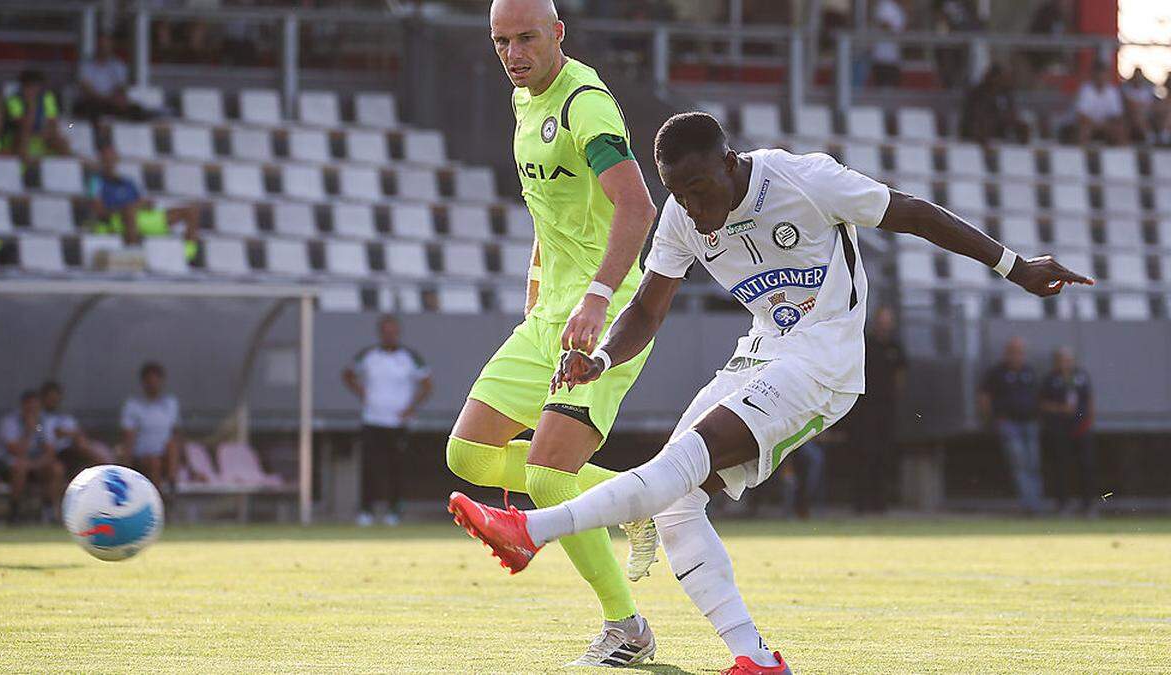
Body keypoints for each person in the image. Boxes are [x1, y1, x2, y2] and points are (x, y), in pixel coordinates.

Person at [448, 111, 1092, 675]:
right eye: (681, 194)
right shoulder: (680, 214)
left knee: (677, 465)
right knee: (675, 506)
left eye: (702, 190)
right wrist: (602, 357)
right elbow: (646, 309)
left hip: (824, 360)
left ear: (730, 164)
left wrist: (1015, 266)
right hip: (759, 354)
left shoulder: (802, 178)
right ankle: (754, 657)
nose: (696, 209)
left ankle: (531, 528)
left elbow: (912, 213)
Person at [442, 0, 661, 666]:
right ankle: (632, 499)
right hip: (548, 317)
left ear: (558, 34)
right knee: (468, 455)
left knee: (543, 474)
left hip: (607, 318)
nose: (513, 53)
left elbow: (638, 205)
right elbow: (554, 207)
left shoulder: (583, 105)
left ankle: (627, 628)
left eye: (527, 38)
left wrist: (596, 297)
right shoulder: (524, 101)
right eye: (501, 41)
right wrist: (537, 273)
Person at [342, 316, 433, 526]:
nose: (389, 335)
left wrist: (411, 408)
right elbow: (347, 374)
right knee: (370, 467)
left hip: (397, 423)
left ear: (398, 333)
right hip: (372, 419)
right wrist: (361, 392)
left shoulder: (409, 357)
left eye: (393, 331)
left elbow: (427, 384)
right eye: (386, 331)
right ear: (380, 333)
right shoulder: (369, 356)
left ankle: (394, 511)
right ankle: (366, 510)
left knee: (396, 467)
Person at [88, 144, 201, 260]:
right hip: (117, 220)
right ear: (101, 160)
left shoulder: (128, 182)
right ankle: (133, 255)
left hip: (140, 217)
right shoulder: (96, 182)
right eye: (106, 158)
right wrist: (125, 208)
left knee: (191, 211)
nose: (110, 161)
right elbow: (99, 211)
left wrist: (142, 204)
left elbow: (145, 202)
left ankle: (187, 255)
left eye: (112, 158)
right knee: (129, 211)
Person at [847, 306, 906, 514]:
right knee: (864, 454)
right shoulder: (865, 344)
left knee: (883, 455)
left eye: (887, 321)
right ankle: (860, 503)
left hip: (886, 408)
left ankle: (880, 503)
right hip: (865, 408)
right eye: (882, 321)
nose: (884, 325)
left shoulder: (896, 347)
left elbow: (900, 377)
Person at [979, 336, 1044, 514]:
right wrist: (991, 418)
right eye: (1013, 352)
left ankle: (1036, 504)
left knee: (1033, 464)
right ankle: (1028, 506)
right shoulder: (997, 372)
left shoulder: (1029, 371)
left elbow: (1037, 395)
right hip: (1009, 423)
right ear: (1006, 353)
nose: (1017, 356)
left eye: (1020, 352)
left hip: (1029, 422)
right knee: (1020, 463)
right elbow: (985, 397)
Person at [0, 391, 64, 523]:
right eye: (29, 408)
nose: (32, 412)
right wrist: (28, 431)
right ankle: (15, 510)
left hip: (33, 463)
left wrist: (35, 464)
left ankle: (50, 509)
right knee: (20, 467)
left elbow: (50, 451)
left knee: (56, 469)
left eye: (35, 408)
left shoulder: (45, 422)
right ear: (23, 406)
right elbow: (16, 451)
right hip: (5, 463)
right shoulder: (9, 422)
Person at [1039, 347, 1096, 517]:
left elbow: (1089, 398)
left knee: (1086, 465)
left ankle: (1088, 505)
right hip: (1060, 428)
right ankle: (1063, 504)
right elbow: (1042, 403)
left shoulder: (1081, 376)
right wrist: (1060, 409)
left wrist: (1089, 419)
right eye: (1061, 360)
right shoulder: (1050, 379)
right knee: (1061, 466)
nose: (1065, 364)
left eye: (1067, 360)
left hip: (1081, 427)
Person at [119, 361, 183, 493]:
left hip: (166, 456)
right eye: (149, 381)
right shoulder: (133, 405)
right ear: (143, 382)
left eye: (156, 380)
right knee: (154, 463)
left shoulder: (170, 404)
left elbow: (177, 434)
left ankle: (172, 480)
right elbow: (128, 437)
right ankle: (158, 501)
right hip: (142, 457)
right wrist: (126, 466)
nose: (153, 384)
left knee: (172, 445)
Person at [74, 34, 153, 126]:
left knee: (136, 109)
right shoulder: (86, 65)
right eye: (101, 45)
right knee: (92, 109)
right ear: (97, 46)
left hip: (111, 103)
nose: (103, 47)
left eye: (106, 45)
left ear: (111, 46)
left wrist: (114, 99)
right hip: (93, 102)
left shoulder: (117, 65)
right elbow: (87, 89)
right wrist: (106, 99)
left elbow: (121, 88)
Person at [39, 380, 109, 472]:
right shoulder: (40, 418)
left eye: (56, 398)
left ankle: (105, 470)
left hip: (71, 450)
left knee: (95, 449)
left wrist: (68, 434)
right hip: (54, 452)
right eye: (51, 398)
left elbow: (77, 433)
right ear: (44, 398)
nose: (54, 401)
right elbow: (45, 439)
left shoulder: (65, 417)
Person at [5, 70, 71, 160]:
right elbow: (23, 126)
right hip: (19, 136)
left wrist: (46, 133)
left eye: (36, 86)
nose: (34, 90)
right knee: (24, 136)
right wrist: (31, 105)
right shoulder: (13, 100)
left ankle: (66, 169)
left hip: (41, 134)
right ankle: (27, 166)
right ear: (23, 86)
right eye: (29, 86)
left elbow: (52, 122)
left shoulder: (47, 97)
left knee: (61, 141)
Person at [960, 64, 1029, 145]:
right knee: (983, 124)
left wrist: (1011, 117)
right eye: (1000, 77)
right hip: (979, 124)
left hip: (1000, 124)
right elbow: (973, 113)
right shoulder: (977, 92)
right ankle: (984, 151)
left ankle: (1022, 151)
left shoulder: (1005, 93)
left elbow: (1010, 110)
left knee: (1022, 126)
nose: (1002, 80)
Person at [1073, 61, 1125, 146]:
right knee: (1084, 130)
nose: (1101, 78)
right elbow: (1081, 115)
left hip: (1106, 125)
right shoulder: (1085, 90)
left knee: (1120, 130)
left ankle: (1120, 156)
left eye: (1103, 75)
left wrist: (1105, 125)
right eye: (1098, 75)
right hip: (1090, 124)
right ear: (1093, 75)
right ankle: (1082, 156)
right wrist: (1096, 124)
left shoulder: (1112, 91)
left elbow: (1116, 115)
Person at [870, 0, 908, 87]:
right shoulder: (885, 4)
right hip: (882, 56)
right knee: (883, 85)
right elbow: (883, 24)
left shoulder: (898, 8)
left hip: (894, 56)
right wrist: (896, 32)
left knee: (893, 85)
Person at [1120, 67, 1162, 144]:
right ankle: (1150, 137)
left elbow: (1154, 104)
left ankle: (1164, 135)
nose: (1137, 79)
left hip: (1149, 114)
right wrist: (1142, 106)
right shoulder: (1127, 89)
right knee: (1138, 115)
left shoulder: (1148, 89)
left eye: (1139, 77)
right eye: (1136, 77)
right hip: (1133, 115)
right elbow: (1130, 104)